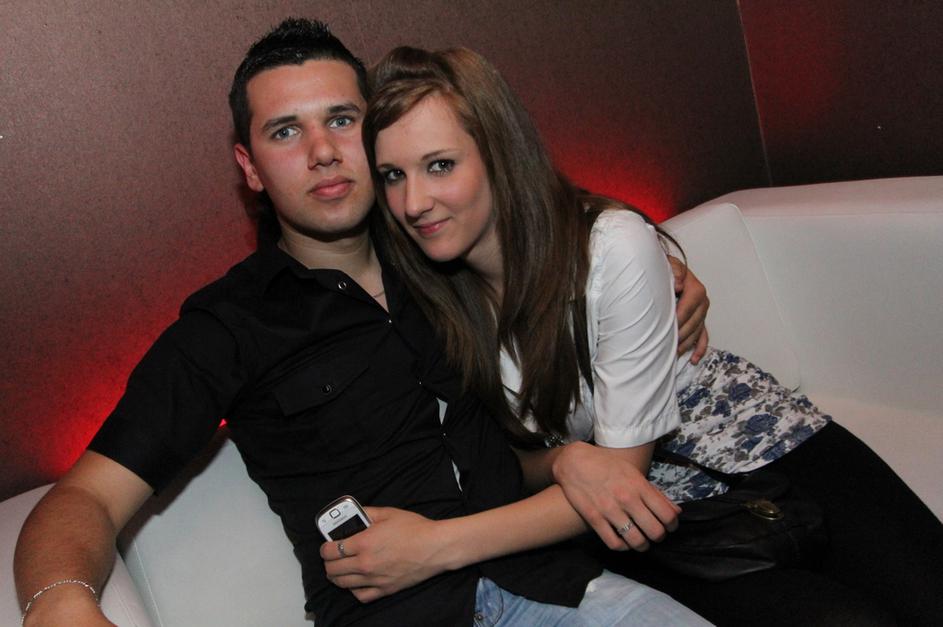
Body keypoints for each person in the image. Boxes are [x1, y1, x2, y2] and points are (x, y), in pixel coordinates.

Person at [13, 19, 715, 627]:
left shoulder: (439, 249)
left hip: (560, 586)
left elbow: (557, 232)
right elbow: (84, 497)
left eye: (342, 120)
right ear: (249, 167)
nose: (322, 150)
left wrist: (660, 274)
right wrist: (59, 601)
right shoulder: (227, 327)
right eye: (286, 130)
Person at [345, 45, 943, 626]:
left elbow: (619, 467)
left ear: (499, 156)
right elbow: (504, 461)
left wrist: (435, 547)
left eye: (440, 165)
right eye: (393, 175)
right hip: (648, 514)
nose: (413, 202)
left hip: (760, 440)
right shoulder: (426, 302)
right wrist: (565, 460)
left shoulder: (609, 246)